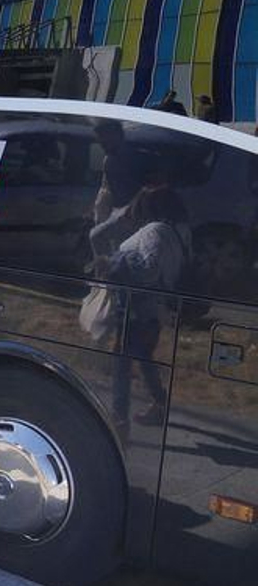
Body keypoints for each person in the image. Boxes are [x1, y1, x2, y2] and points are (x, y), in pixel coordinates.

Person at [90, 178, 190, 428]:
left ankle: (119, 417)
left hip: (137, 311)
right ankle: (158, 403)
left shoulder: (154, 232)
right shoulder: (180, 231)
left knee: (122, 362)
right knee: (143, 356)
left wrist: (113, 263)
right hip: (154, 310)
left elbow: (147, 270)